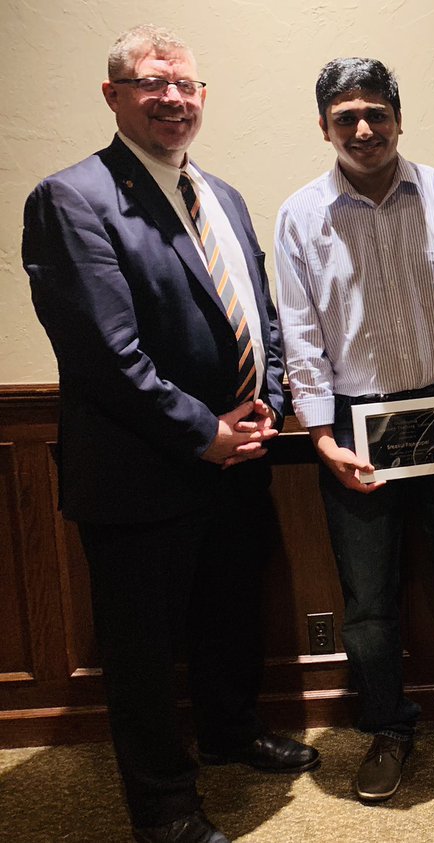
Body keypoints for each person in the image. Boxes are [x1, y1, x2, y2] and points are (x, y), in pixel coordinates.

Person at [21, 24, 318, 843]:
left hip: (240, 456)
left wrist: (273, 398)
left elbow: (260, 310)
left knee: (229, 613)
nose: (174, 98)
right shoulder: (72, 198)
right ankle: (164, 807)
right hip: (140, 472)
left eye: (187, 85)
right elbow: (105, 355)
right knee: (145, 652)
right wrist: (204, 432)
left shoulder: (219, 193)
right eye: (154, 83)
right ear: (113, 95)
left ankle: (229, 731)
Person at [275, 57, 434, 800]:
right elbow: (301, 337)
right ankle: (387, 726)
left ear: (400, 117)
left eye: (377, 113)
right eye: (347, 118)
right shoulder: (299, 216)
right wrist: (320, 440)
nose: (365, 129)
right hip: (352, 428)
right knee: (370, 605)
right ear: (324, 128)